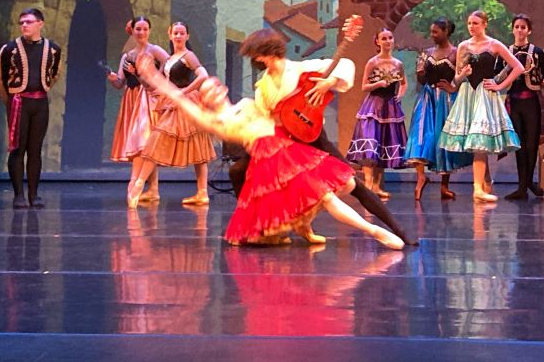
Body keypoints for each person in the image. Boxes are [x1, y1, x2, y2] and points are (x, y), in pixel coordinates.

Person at [137, 68, 403, 250]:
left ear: (223, 88)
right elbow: (179, 101)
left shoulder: (246, 103)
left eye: (215, 86)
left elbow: (281, 110)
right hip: (268, 161)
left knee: (339, 186)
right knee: (324, 196)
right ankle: (375, 232)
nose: (212, 92)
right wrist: (154, 77)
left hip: (286, 149)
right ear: (203, 99)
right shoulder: (215, 121)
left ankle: (304, 227)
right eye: (206, 92)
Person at [228, 26, 417, 246]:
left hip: (313, 135)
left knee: (354, 185)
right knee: (238, 171)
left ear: (268, 51)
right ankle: (258, 225)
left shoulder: (300, 69)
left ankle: (399, 229)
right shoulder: (263, 85)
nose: (257, 59)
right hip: (285, 140)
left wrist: (329, 82)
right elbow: (266, 116)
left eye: (257, 54)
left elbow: (345, 65)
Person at [438, 10, 523, 203]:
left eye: (475, 23)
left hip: (485, 95)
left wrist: (499, 85)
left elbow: (518, 66)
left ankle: (481, 187)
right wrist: (463, 74)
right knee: (478, 144)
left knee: (480, 142)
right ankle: (480, 187)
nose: (471, 26)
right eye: (469, 23)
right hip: (468, 94)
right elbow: (457, 77)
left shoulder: (494, 44)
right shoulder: (463, 46)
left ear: (484, 24)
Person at [135, 22, 216, 208]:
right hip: (173, 102)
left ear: (187, 36)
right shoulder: (171, 58)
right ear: (170, 35)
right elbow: (166, 81)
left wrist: (184, 91)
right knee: (156, 140)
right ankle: (147, 187)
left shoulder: (189, 56)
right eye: (175, 33)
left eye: (182, 33)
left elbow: (203, 75)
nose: (178, 36)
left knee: (197, 146)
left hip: (187, 102)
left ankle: (202, 192)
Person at [0, 7, 63, 209]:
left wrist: (42, 88)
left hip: (40, 103)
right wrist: (9, 99)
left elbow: (55, 73)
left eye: (29, 22)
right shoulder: (9, 48)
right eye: (22, 22)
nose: (24, 25)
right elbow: (0, 76)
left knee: (35, 150)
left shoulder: (53, 49)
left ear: (40, 23)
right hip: (18, 103)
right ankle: (18, 195)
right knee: (17, 148)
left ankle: (34, 194)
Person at [405, 17, 470, 201]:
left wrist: (453, 88)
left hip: (445, 99)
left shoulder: (456, 53)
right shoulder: (427, 52)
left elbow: (462, 77)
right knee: (421, 135)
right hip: (427, 98)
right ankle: (420, 177)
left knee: (444, 138)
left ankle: (444, 186)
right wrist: (420, 72)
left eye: (435, 32)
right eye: (431, 31)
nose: (432, 35)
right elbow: (421, 80)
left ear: (446, 31)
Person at [106, 17, 168, 205]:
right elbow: (120, 83)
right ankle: (153, 189)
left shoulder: (155, 50)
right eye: (138, 29)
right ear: (132, 31)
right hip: (132, 99)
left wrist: (155, 79)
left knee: (147, 142)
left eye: (144, 29)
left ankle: (138, 183)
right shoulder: (127, 56)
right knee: (143, 146)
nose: (141, 32)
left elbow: (169, 67)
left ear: (149, 30)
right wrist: (112, 77)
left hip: (149, 99)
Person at [347, 28, 408, 196]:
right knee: (370, 143)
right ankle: (368, 183)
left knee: (384, 143)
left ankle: (377, 186)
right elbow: (364, 86)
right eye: (384, 38)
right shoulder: (372, 62)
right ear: (377, 41)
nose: (387, 41)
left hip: (390, 107)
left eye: (390, 38)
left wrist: (400, 95)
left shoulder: (398, 64)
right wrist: (378, 84)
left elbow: (403, 83)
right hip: (373, 106)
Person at [497, 14, 544, 201]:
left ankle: (528, 181)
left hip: (531, 101)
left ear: (529, 30)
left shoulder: (537, 51)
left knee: (531, 144)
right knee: (519, 145)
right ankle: (522, 185)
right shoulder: (505, 51)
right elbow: (497, 74)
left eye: (523, 27)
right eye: (517, 27)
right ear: (512, 29)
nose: (519, 30)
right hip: (514, 102)